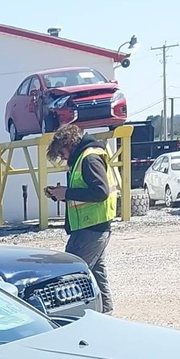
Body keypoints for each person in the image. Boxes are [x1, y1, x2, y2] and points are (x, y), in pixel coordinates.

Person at [42, 123, 117, 313]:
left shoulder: (89, 158)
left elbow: (100, 192)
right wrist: (60, 193)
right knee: (96, 273)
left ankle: (77, 316)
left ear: (69, 144)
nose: (62, 157)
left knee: (73, 273)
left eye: (62, 153)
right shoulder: (86, 157)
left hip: (91, 229)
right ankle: (106, 315)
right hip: (92, 227)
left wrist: (66, 193)